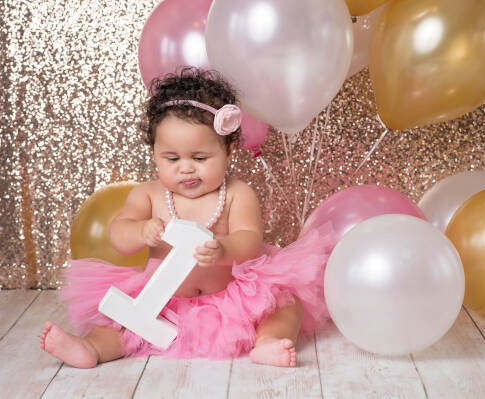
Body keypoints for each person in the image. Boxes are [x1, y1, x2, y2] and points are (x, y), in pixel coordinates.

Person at [40, 67, 333, 368]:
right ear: (154, 154)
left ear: (229, 150)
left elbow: (250, 240)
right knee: (120, 321)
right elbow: (119, 235)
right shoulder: (148, 195)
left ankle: (267, 342)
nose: (186, 168)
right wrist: (140, 231)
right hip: (164, 302)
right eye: (172, 158)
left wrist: (224, 250)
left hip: (230, 301)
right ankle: (92, 348)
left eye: (200, 158)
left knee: (285, 305)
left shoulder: (237, 193)